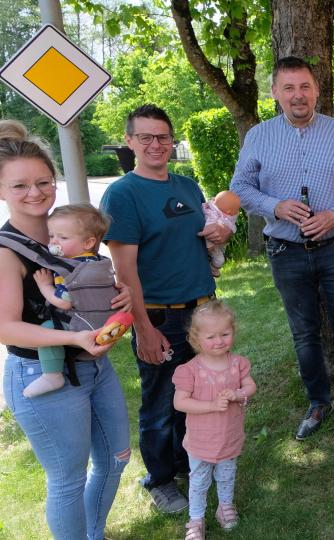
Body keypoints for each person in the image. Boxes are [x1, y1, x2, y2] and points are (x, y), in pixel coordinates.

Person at [230, 56, 334, 446]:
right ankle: (318, 403)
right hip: (286, 250)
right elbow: (240, 188)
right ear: (275, 93)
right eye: (289, 88)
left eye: (304, 86)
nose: (297, 95)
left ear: (316, 89)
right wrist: (275, 206)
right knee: (304, 335)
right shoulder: (259, 136)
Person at [0, 120, 130, 540]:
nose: (35, 192)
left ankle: (93, 533)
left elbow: (91, 281)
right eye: (20, 186)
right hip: (42, 373)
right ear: (1, 191)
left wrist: (118, 295)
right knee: (68, 479)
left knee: (116, 458)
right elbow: (6, 328)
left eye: (43, 182)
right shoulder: (7, 251)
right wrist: (73, 339)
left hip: (94, 366)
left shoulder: (69, 231)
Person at [100, 104, 231, 513]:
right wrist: (143, 328)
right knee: (160, 404)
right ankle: (159, 479)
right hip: (161, 315)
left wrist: (218, 235)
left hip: (203, 312)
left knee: (197, 395)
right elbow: (125, 273)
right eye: (146, 137)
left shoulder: (188, 186)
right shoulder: (122, 195)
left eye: (163, 137)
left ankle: (188, 463)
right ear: (130, 141)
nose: (156, 145)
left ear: (172, 141)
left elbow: (201, 238)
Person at [173, 300, 256, 539]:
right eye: (211, 337)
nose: (219, 341)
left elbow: (251, 387)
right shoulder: (190, 370)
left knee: (226, 475)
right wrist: (211, 405)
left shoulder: (238, 364)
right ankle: (196, 519)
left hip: (229, 436)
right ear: (196, 339)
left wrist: (238, 394)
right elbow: (180, 402)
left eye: (225, 334)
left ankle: (225, 507)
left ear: (233, 332)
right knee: (199, 481)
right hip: (201, 441)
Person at [25, 203, 112, 397]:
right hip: (103, 324)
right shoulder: (98, 262)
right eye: (51, 236)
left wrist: (45, 286)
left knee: (47, 329)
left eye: (63, 238)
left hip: (82, 326)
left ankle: (52, 375)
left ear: (88, 242)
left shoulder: (69, 269)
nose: (54, 242)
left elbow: (64, 302)